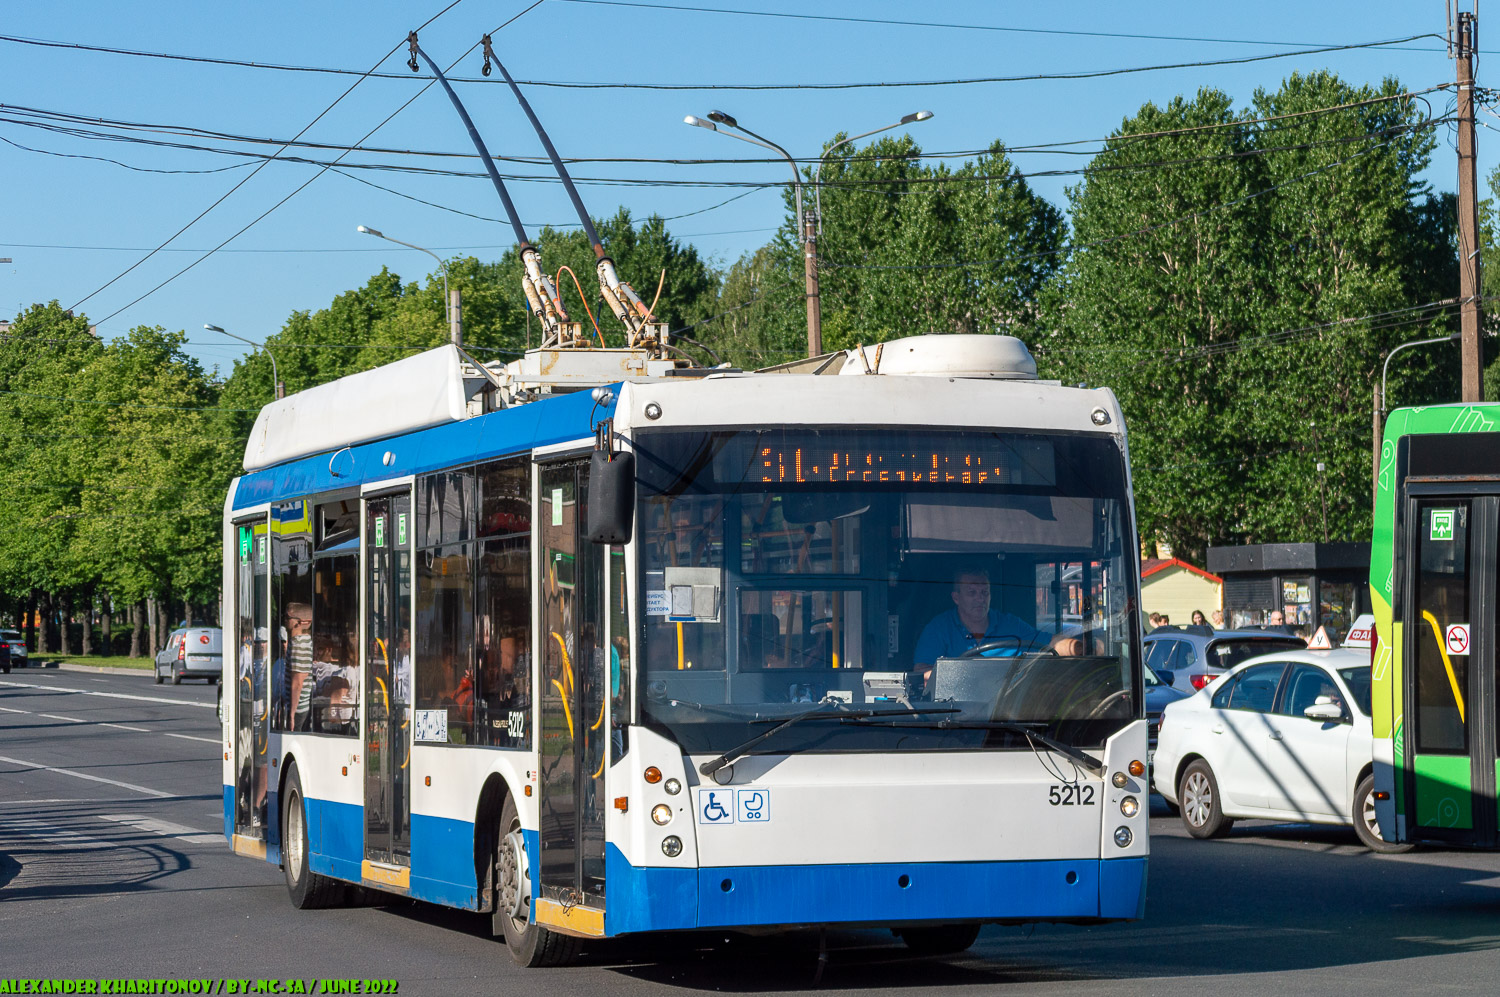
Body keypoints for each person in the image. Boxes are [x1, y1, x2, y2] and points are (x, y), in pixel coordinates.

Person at [913, 569, 1082, 688]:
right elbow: (922, 674)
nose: (980, 599)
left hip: (1009, 714)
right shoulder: (938, 629)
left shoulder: (1010, 624)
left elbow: (1051, 643)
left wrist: (1081, 647)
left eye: (984, 592)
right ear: (956, 598)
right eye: (972, 592)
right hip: (956, 717)